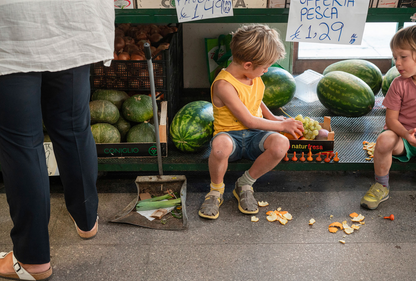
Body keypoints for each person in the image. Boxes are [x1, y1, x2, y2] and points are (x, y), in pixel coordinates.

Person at [0, 1, 114, 280]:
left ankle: (32, 260)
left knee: (22, 145)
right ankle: (87, 221)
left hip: (13, 26)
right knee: (73, 128)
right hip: (71, 18)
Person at [198, 24, 304, 219]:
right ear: (248, 65)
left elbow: (256, 98)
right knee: (220, 147)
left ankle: (245, 184)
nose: (266, 71)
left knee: (282, 144)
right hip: (231, 136)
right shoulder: (224, 85)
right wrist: (281, 125)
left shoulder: (252, 77)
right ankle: (216, 190)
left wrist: (271, 117)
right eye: (265, 68)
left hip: (255, 136)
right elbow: (248, 120)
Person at [360, 25, 416, 210]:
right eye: (395, 57)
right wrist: (408, 135)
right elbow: (391, 121)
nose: (397, 63)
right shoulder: (398, 84)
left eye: (403, 57)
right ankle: (381, 185)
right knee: (383, 140)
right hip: (403, 138)